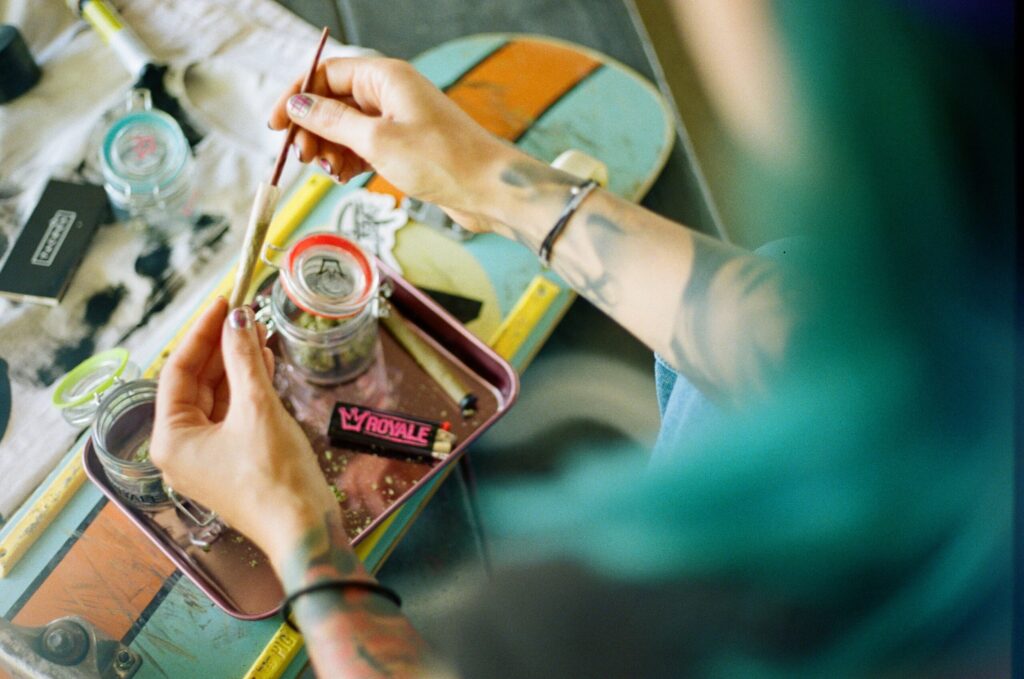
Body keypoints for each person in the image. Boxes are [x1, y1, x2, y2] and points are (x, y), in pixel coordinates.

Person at [150, 2, 1014, 677]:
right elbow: (801, 340)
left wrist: (303, 536)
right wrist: (489, 182)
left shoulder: (617, 622)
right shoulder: (965, 372)